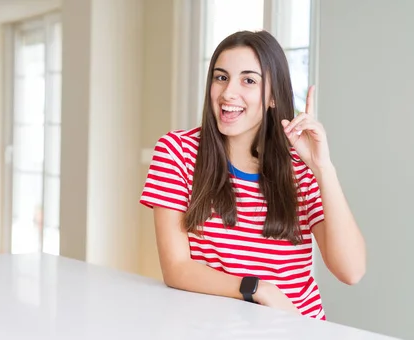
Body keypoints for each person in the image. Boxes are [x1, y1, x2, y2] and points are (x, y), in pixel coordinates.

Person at [139, 30, 366, 320]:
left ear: (273, 97)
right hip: (211, 326)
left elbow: (351, 271)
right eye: (221, 77)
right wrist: (258, 289)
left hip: (297, 328)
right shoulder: (177, 152)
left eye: (248, 80)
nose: (227, 93)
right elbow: (177, 268)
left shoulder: (302, 168)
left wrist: (323, 168)